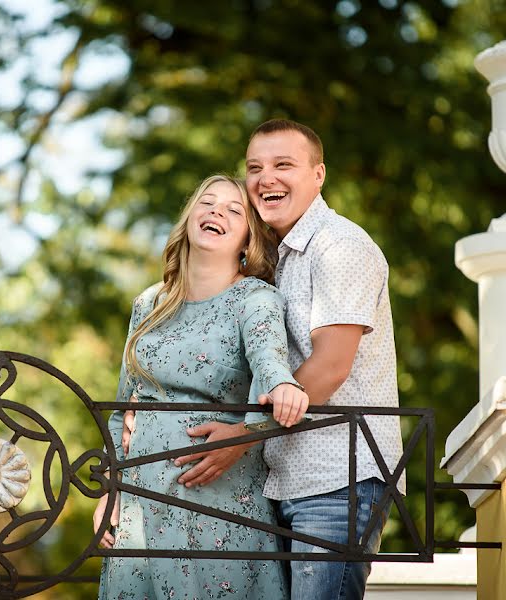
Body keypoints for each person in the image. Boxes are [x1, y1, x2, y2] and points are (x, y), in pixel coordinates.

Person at [175, 120, 405, 600]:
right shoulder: (271, 259)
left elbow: (329, 368)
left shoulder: (339, 247)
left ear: (318, 175)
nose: (266, 178)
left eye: (284, 165)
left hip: (338, 480)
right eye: (255, 167)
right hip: (281, 480)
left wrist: (242, 437)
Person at [93, 174, 309, 600]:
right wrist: (110, 491)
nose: (216, 212)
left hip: (216, 494)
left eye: (234, 210)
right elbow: (122, 410)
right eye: (207, 203)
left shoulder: (256, 298)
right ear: (189, 219)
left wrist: (283, 386)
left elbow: (270, 364)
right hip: (141, 499)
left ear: (248, 239)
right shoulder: (148, 303)